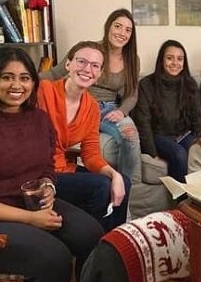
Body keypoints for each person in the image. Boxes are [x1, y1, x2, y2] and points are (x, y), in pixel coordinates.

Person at [0, 47, 102, 282]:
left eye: (25, 78)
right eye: (7, 77)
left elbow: (47, 166)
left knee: (91, 233)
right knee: (54, 258)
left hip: (27, 203)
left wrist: (49, 187)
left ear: (34, 83)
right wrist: (30, 218)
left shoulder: (38, 118)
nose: (17, 85)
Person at [38, 41, 131, 231]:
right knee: (100, 186)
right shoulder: (43, 91)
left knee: (123, 181)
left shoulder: (92, 108)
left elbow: (90, 155)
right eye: (81, 61)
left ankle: (115, 244)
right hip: (40, 174)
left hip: (64, 170)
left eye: (95, 65)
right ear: (68, 64)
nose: (87, 69)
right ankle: (96, 245)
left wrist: (115, 174)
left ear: (99, 73)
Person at [41, 9, 141, 182]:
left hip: (110, 109)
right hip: (84, 105)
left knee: (130, 134)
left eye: (128, 30)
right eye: (118, 26)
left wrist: (122, 111)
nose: (122, 33)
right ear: (108, 27)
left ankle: (125, 185)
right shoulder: (89, 50)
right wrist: (24, 80)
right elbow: (53, 74)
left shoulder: (133, 59)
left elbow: (132, 94)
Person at [133, 40, 201, 182]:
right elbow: (143, 122)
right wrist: (153, 153)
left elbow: (198, 118)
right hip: (158, 136)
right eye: (169, 58)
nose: (175, 63)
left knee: (199, 151)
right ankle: (182, 199)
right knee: (179, 154)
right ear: (162, 60)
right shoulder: (146, 84)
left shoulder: (190, 84)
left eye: (180, 59)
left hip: (183, 135)